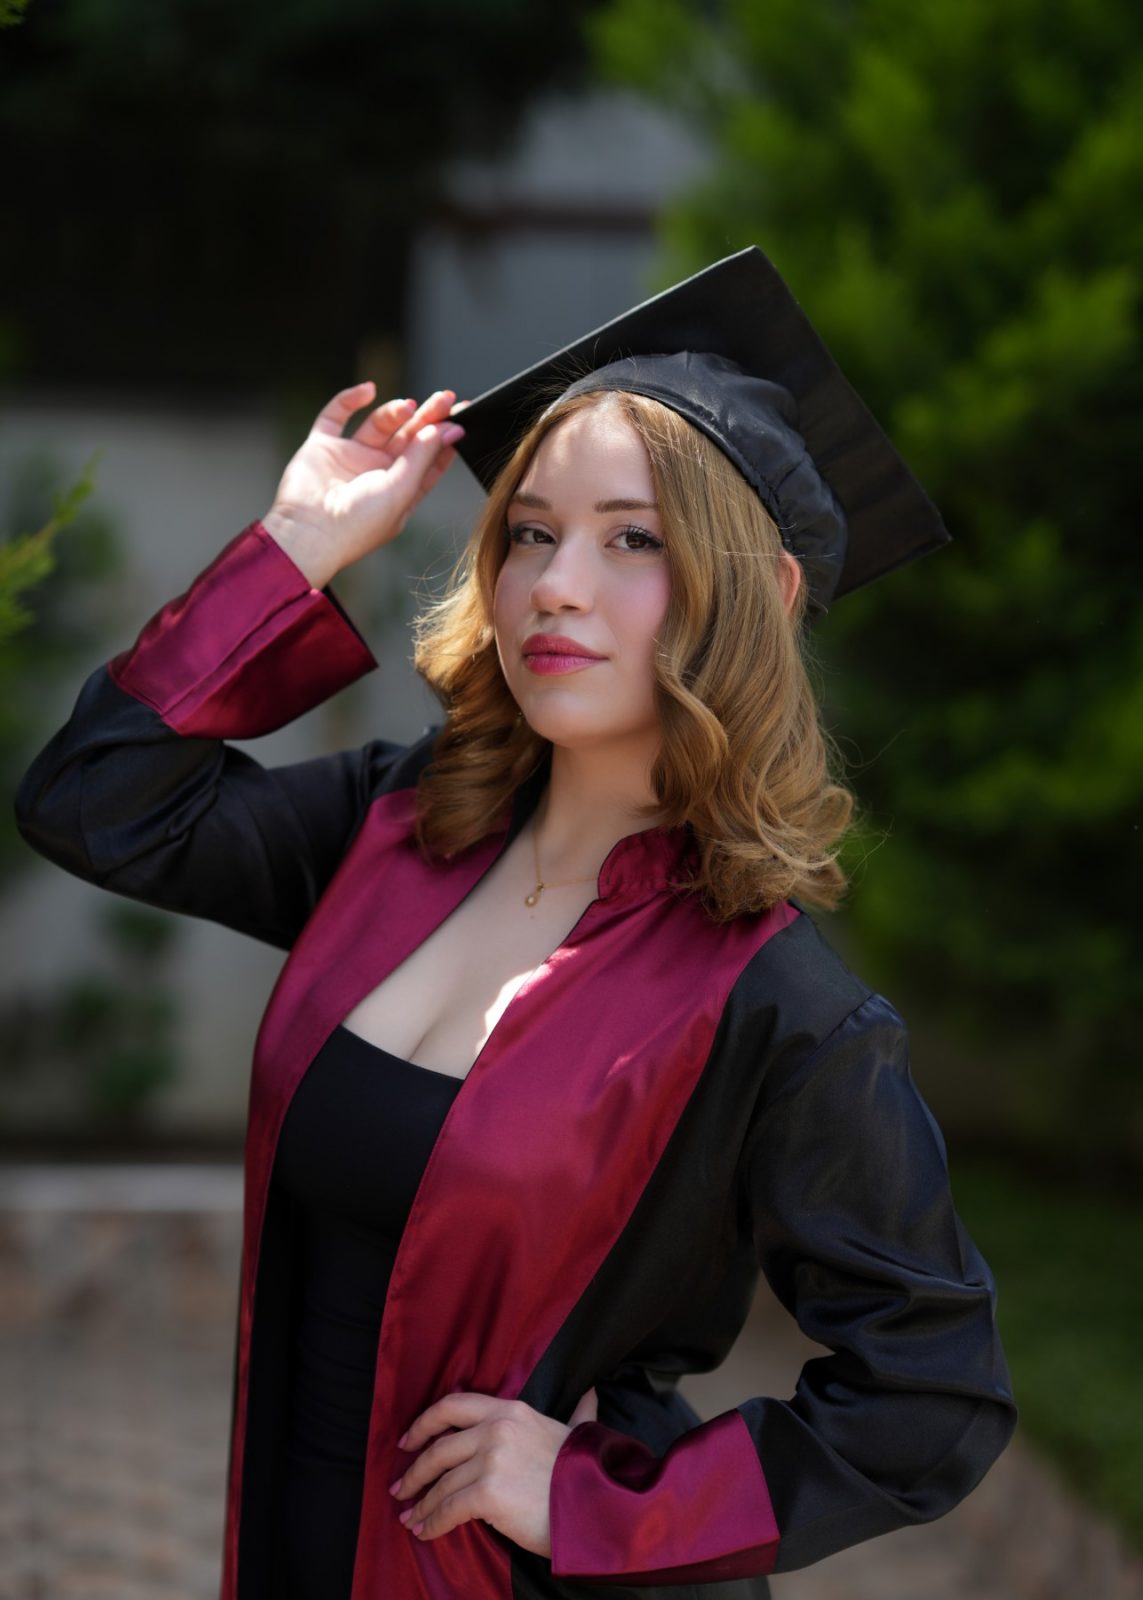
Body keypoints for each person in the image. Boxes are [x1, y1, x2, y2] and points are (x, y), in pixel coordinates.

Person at [14, 247, 1018, 1600]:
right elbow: (95, 799)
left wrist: (603, 1499)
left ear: (765, 595)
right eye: (532, 532)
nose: (555, 583)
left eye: (634, 540)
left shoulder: (775, 1008)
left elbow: (933, 1392)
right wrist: (299, 544)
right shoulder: (395, 830)